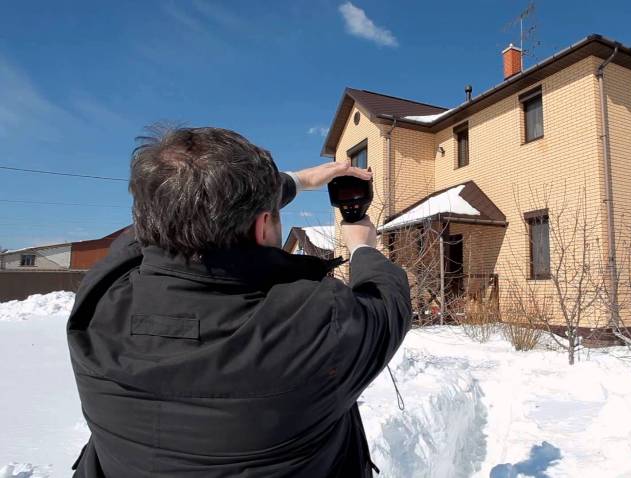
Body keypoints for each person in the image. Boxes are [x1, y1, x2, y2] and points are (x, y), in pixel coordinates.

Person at [66, 127, 412, 477]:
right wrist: (363, 246)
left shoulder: (100, 299)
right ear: (263, 226)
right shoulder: (313, 327)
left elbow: (160, 218)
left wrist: (296, 181)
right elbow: (387, 302)